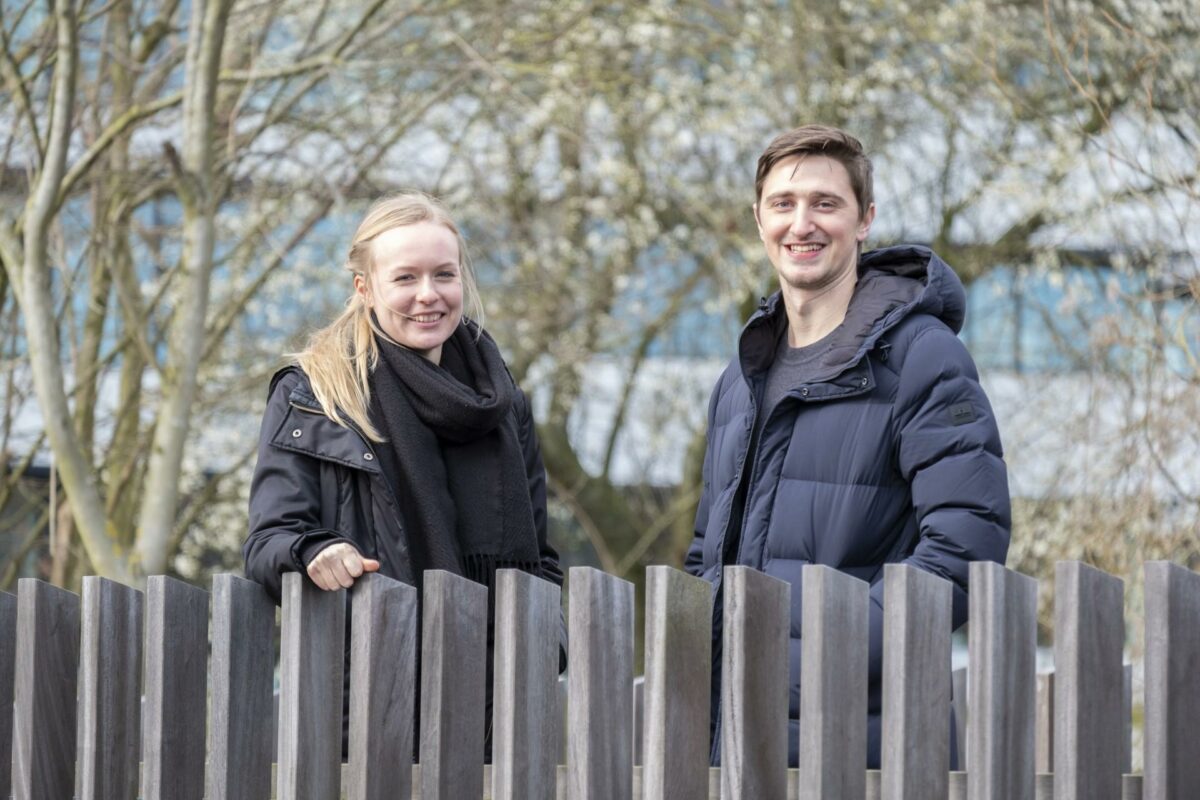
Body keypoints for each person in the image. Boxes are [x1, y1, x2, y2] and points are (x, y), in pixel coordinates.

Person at [684, 125, 1010, 768]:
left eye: (825, 204)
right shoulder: (741, 378)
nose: (801, 224)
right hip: (739, 741)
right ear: (758, 220)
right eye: (783, 204)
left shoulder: (923, 358)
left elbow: (967, 543)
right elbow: (706, 551)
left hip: (869, 744)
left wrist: (823, 654)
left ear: (865, 220)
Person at [243, 192, 564, 753]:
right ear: (364, 287)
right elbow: (268, 541)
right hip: (365, 708)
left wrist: (549, 644)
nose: (427, 295)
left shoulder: (502, 401)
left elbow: (539, 557)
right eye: (404, 278)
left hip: (493, 712)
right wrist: (313, 552)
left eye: (444, 274)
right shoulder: (315, 396)